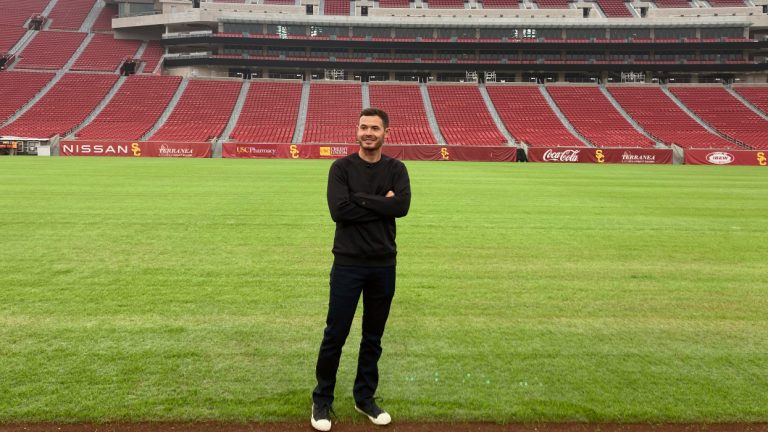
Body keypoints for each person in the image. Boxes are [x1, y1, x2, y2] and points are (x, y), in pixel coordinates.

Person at [311, 108, 411, 431]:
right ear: (356, 130)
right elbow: (339, 211)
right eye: (363, 127)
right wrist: (382, 203)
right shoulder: (340, 168)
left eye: (375, 128)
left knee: (373, 337)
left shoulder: (396, 169)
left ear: (386, 133)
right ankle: (322, 399)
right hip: (348, 264)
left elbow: (402, 207)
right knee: (335, 334)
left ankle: (364, 397)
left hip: (383, 264)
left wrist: (360, 201)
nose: (368, 133)